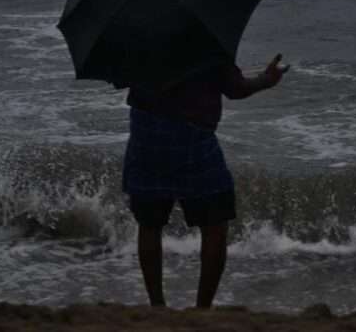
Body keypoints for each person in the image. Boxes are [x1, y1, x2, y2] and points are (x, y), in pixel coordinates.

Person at [122, 54, 289, 309]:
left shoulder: (140, 37)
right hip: (192, 136)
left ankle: (157, 306)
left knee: (149, 222)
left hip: (147, 133)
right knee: (215, 221)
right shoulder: (206, 41)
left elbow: (123, 75)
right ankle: (202, 309)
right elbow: (235, 89)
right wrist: (267, 79)